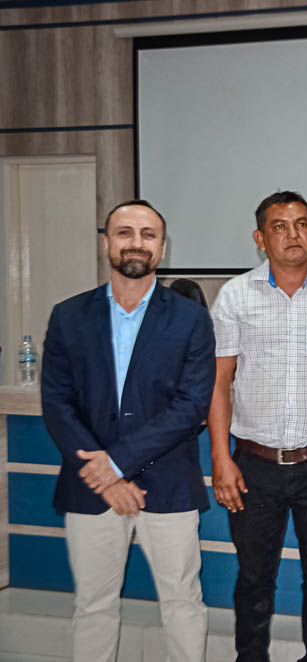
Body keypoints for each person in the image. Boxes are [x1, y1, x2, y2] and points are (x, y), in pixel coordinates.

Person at [41, 199, 215, 662]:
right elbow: (56, 404)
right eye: (124, 232)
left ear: (161, 248)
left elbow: (192, 405)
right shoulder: (68, 316)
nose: (136, 242)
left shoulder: (191, 318)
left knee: (182, 603)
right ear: (106, 244)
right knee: (93, 607)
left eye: (147, 234)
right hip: (91, 487)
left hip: (168, 484)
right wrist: (106, 475)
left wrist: (117, 465)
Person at [208, 191, 307, 662]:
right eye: (279, 225)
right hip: (254, 466)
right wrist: (220, 459)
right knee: (253, 575)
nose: (292, 234)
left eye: (301, 224)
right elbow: (219, 384)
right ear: (260, 238)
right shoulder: (235, 295)